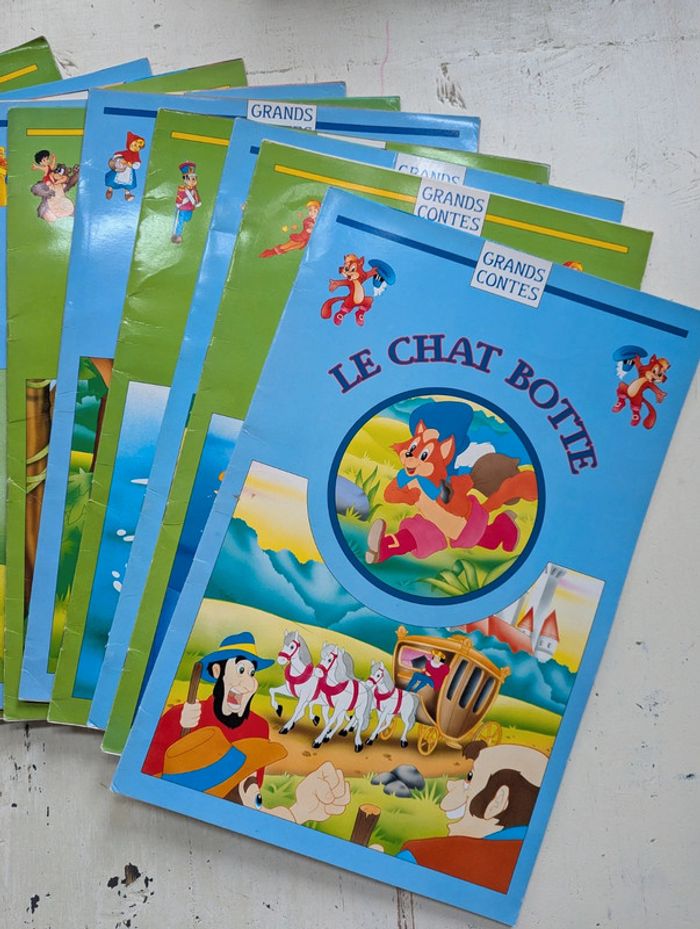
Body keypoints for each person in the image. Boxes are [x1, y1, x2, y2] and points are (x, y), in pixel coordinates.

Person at [393, 741, 547, 893]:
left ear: (497, 801)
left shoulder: (421, 857)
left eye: (470, 777)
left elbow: (396, 875)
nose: (450, 784)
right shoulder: (534, 867)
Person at [171, 160, 201, 243]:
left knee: (187, 219)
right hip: (183, 207)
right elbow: (179, 196)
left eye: (194, 179)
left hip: (190, 207)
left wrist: (198, 202)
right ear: (185, 179)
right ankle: (177, 235)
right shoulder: (182, 189)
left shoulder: (194, 189)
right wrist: (179, 203)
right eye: (190, 178)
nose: (192, 181)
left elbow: (196, 196)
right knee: (180, 221)